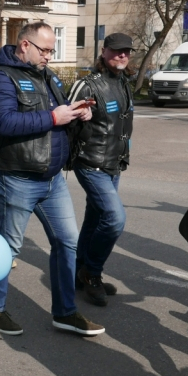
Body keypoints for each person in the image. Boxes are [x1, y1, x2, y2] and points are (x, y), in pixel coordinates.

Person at [0, 21, 99, 337]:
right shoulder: (0, 78)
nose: (49, 55)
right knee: (8, 248)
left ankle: (65, 312)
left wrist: (76, 112)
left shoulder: (47, 76)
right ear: (25, 45)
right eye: (45, 49)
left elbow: (59, 114)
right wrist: (52, 117)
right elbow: (4, 122)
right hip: (17, 178)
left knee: (67, 241)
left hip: (52, 178)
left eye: (51, 49)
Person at [66, 32, 135, 307]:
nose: (122, 55)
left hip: (113, 165)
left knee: (95, 220)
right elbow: (63, 117)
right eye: (117, 51)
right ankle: (91, 273)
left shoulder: (124, 82)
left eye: (127, 51)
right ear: (104, 51)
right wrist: (81, 116)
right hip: (90, 163)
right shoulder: (87, 85)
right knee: (115, 219)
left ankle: (78, 272)